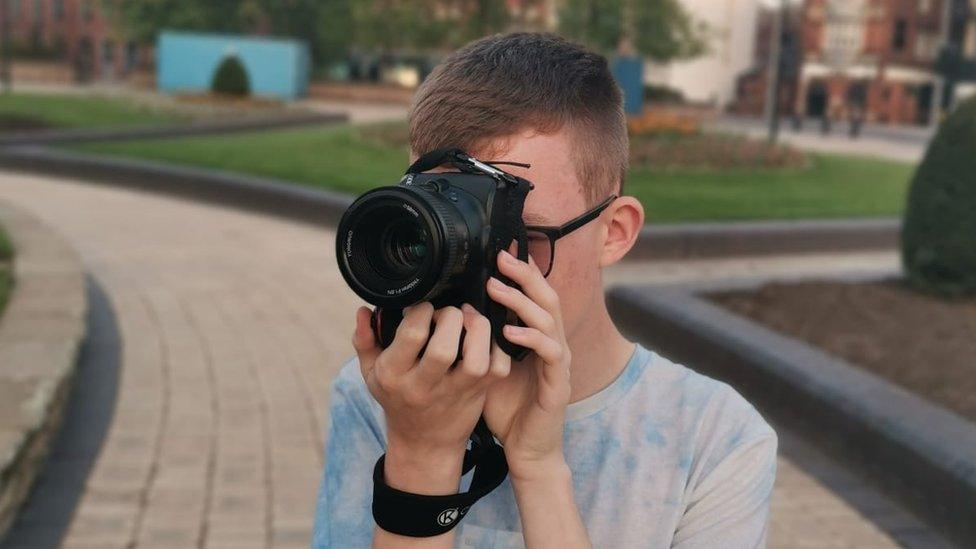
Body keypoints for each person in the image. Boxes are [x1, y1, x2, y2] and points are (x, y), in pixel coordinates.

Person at [313, 32, 777, 548]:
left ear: (615, 231)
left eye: (516, 237)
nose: (478, 270)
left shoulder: (713, 437)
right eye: (445, 232)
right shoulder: (385, 395)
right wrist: (421, 455)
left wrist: (538, 469)